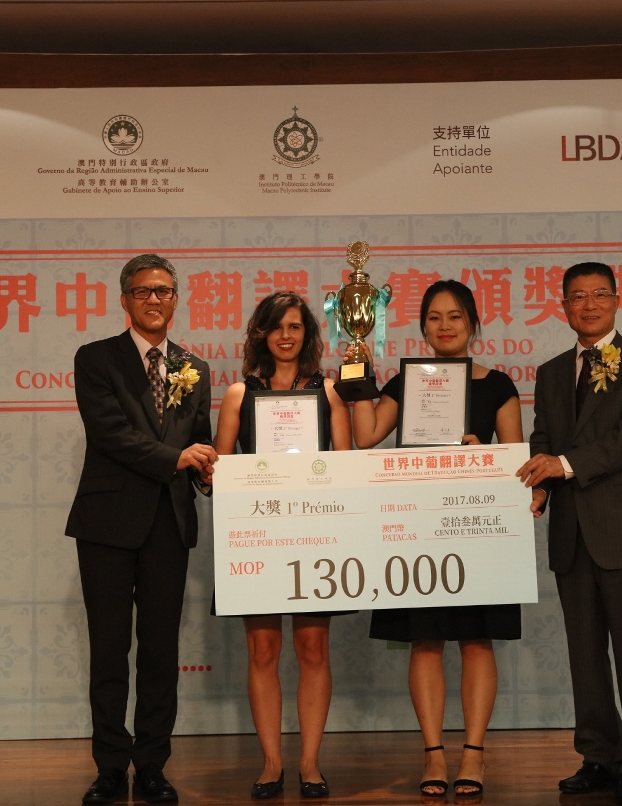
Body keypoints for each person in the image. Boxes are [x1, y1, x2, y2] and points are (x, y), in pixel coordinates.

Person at [351, 279, 523, 799]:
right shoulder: (408, 383)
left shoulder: (499, 385)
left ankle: (473, 752)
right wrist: (358, 372)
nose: (444, 327)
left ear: (473, 322)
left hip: (477, 524)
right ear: (421, 326)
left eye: (454, 316)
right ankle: (433, 754)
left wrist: (481, 452)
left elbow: (515, 458)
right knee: (424, 640)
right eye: (433, 318)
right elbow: (365, 436)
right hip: (418, 527)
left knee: (476, 639)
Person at [515, 262, 622, 806]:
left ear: (616, 300)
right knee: (585, 653)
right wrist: (538, 484)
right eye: (576, 296)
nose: (587, 304)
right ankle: (598, 755)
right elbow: (542, 438)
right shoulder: (551, 371)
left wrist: (562, 465)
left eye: (598, 295)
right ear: (562, 305)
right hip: (572, 531)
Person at [66, 253, 217, 805]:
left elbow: (200, 439)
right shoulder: (95, 359)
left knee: (159, 653)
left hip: (168, 525)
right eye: (143, 291)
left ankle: (152, 764)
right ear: (125, 300)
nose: (155, 300)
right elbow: (109, 435)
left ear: (176, 299)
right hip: (106, 524)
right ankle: (110, 767)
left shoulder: (194, 368)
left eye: (164, 291)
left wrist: (208, 473)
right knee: (109, 651)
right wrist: (177, 458)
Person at [212, 292, 353, 800]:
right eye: (277, 327)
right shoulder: (237, 395)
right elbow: (217, 473)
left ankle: (310, 762)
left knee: (312, 648)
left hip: (316, 534)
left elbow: (346, 466)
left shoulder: (330, 393)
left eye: (295, 327)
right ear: (261, 335)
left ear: (308, 335)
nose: (286, 336)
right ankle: (271, 762)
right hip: (260, 535)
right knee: (263, 649)